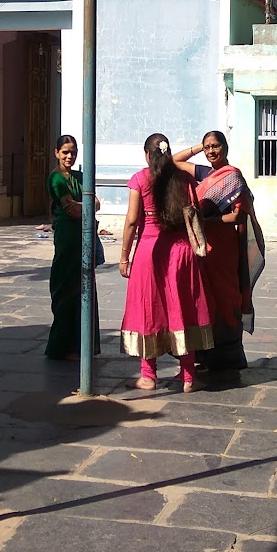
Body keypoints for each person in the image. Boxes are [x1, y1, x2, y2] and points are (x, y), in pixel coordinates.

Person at [119, 131, 214, 392]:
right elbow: (195, 214)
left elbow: (131, 221)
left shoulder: (140, 179)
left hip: (150, 252)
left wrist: (124, 256)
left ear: (147, 155)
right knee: (184, 308)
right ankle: (188, 377)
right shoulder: (183, 179)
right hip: (182, 253)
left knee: (148, 309)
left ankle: (148, 376)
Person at [174, 129, 265, 374]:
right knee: (204, 299)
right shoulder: (205, 174)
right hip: (203, 248)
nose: (211, 151)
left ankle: (228, 357)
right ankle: (205, 355)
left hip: (224, 249)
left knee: (226, 298)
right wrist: (198, 147)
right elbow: (173, 161)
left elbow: (238, 216)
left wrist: (205, 221)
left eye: (216, 146)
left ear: (225, 147)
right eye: (208, 147)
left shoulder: (233, 176)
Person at [44, 134, 100, 360]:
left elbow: (96, 203)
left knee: (84, 289)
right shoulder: (56, 178)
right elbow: (73, 210)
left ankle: (82, 346)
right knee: (67, 290)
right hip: (67, 238)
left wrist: (83, 205)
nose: (69, 156)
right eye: (65, 152)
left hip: (82, 237)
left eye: (73, 152)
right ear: (56, 153)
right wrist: (85, 204)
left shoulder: (80, 176)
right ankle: (63, 347)